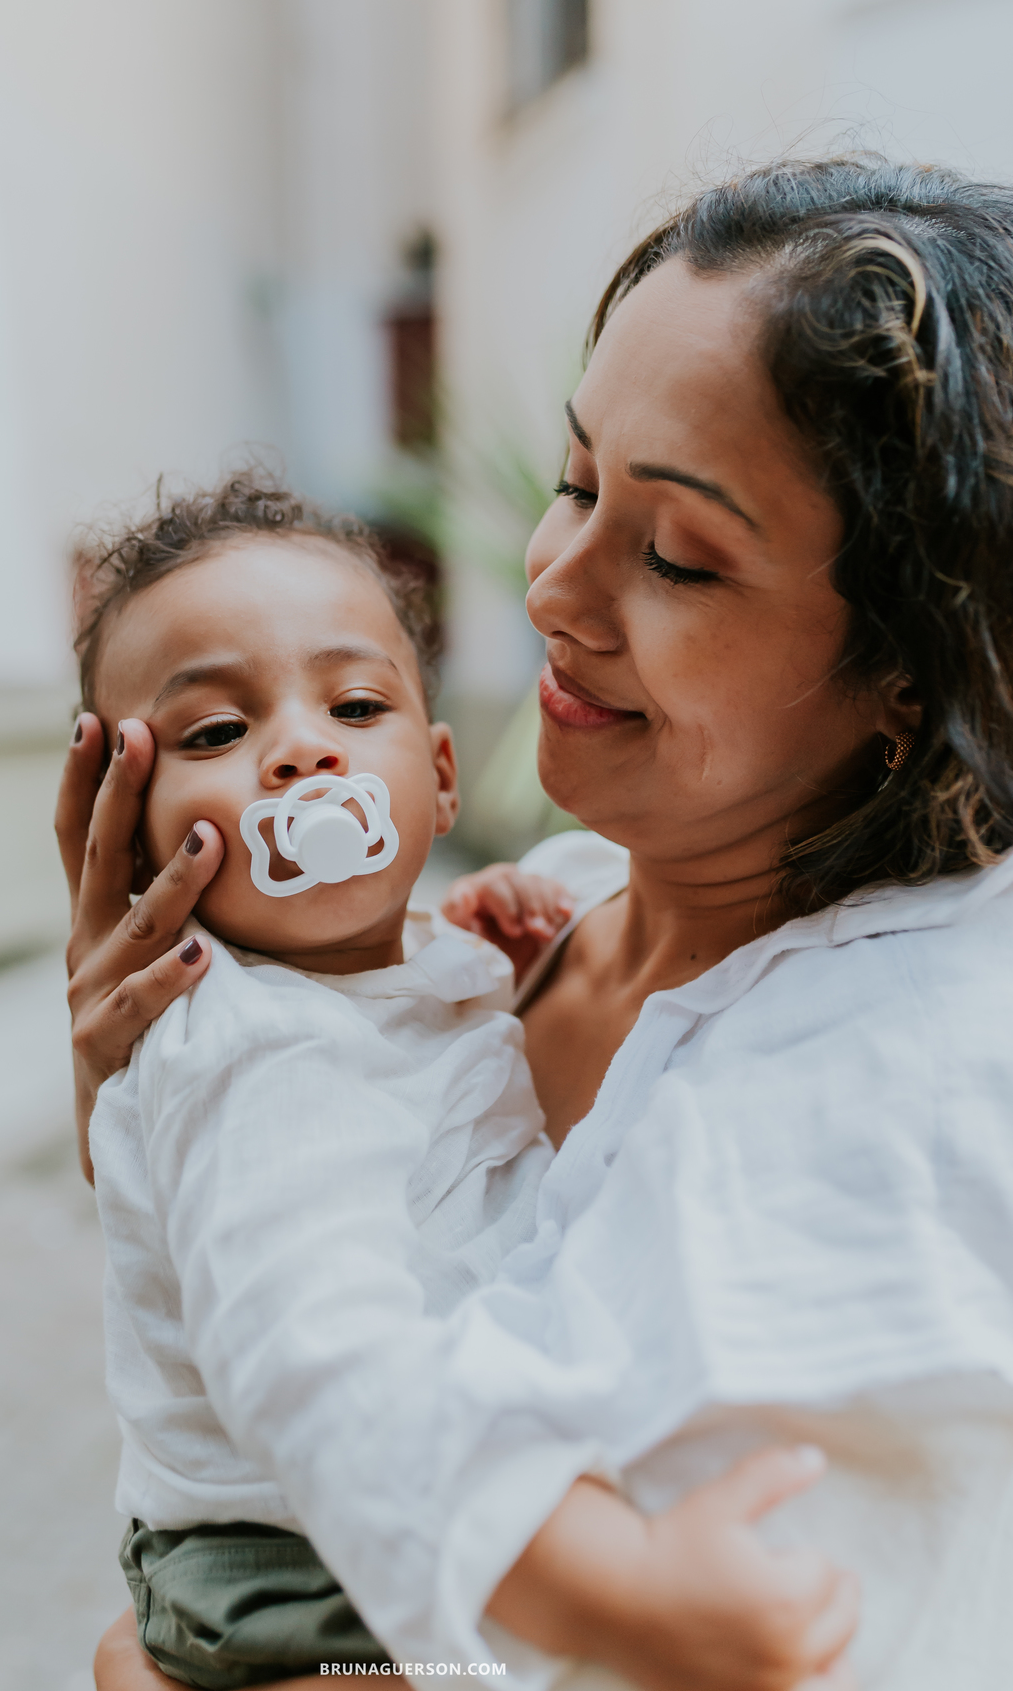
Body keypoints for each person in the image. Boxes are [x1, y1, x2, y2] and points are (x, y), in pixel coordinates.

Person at [58, 158, 1013, 1690]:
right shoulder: (518, 918)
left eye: (680, 555)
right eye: (577, 480)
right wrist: (145, 1105)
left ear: (912, 677)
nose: (555, 583)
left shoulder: (898, 1081)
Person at [76, 479, 852, 1691]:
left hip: (356, 1515)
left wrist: (468, 958)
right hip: (303, 1571)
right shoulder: (253, 1057)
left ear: (440, 782)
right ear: (136, 840)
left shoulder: (412, 964)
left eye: (355, 702)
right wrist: (627, 1587)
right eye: (218, 733)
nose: (301, 748)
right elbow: (317, 1358)